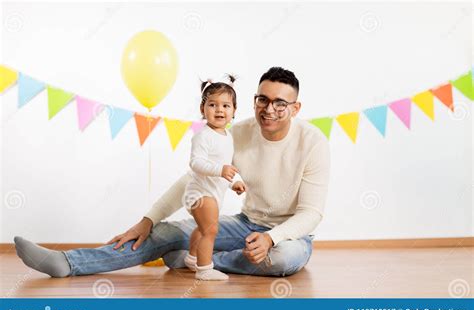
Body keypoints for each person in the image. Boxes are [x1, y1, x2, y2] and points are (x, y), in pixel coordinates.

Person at [14, 67, 330, 278]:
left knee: (283, 260)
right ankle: (69, 263)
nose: (269, 109)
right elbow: (196, 179)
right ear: (254, 100)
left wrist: (271, 238)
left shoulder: (313, 143)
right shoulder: (237, 133)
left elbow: (311, 213)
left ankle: (192, 259)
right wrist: (148, 219)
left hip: (290, 235)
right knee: (165, 233)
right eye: (263, 99)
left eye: (279, 103)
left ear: (296, 108)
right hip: (245, 225)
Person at [183, 75, 246, 281]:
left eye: (226, 105)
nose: (219, 110)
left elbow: (222, 171)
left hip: (213, 193)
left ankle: (192, 258)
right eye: (213, 105)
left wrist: (233, 181)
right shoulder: (203, 136)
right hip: (199, 193)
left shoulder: (228, 137)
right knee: (211, 229)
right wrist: (221, 170)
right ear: (203, 109)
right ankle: (204, 269)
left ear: (234, 111)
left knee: (203, 229)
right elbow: (196, 163)